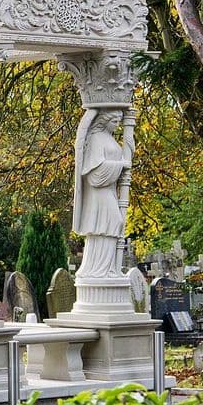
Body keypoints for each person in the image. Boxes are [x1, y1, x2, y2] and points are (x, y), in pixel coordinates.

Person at [72, 108, 131, 279]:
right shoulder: (96, 138)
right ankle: (98, 271)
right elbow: (95, 176)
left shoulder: (109, 138)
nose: (118, 125)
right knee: (109, 224)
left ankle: (109, 269)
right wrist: (120, 166)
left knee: (113, 224)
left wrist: (121, 166)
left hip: (109, 191)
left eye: (119, 121)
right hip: (99, 194)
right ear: (104, 120)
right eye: (114, 121)